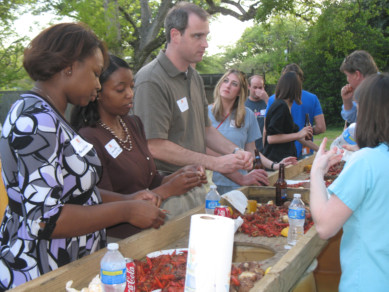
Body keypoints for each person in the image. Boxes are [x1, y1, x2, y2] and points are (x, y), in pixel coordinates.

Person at [0, 23, 165, 290]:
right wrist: (125, 210)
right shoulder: (36, 119)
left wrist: (128, 198)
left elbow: (73, 192)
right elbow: (44, 219)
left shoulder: (52, 116)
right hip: (41, 271)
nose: (98, 85)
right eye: (95, 74)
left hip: (70, 264)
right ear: (69, 67)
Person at [133, 2, 253, 216]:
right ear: (175, 35)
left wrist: (236, 152)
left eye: (206, 36)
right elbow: (155, 146)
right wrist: (214, 162)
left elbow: (205, 130)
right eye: (198, 36)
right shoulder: (151, 80)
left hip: (197, 188)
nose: (205, 44)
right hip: (168, 194)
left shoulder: (194, 77)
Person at [71, 54, 206, 239]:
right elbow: (102, 203)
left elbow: (149, 180)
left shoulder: (133, 124)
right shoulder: (89, 137)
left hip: (155, 227)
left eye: (132, 87)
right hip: (122, 239)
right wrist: (167, 190)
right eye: (120, 89)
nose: (130, 94)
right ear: (98, 93)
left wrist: (181, 176)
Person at [310, 73, 389, 292]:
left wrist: (317, 173)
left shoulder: (366, 162)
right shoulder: (372, 158)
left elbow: (325, 227)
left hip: (367, 282)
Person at [208, 69, 297, 194]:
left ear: (240, 91)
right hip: (210, 185)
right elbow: (203, 150)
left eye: (234, 84)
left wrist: (274, 165)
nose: (228, 85)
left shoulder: (248, 115)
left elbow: (252, 151)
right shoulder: (204, 113)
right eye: (225, 81)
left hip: (237, 186)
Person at [266, 63, 325, 158]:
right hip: (277, 160)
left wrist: (322, 151)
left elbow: (299, 137)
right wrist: (298, 134)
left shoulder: (285, 106)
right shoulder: (280, 106)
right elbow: (271, 138)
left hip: (288, 159)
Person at [339, 50, 378, 125]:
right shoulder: (362, 90)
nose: (347, 80)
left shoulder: (382, 89)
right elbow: (353, 120)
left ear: (357, 75)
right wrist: (347, 102)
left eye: (347, 75)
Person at [245, 75, 269, 152]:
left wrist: (266, 99)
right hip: (250, 149)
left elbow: (276, 116)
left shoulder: (268, 102)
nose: (257, 90)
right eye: (255, 87)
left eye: (260, 87)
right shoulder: (243, 104)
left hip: (266, 149)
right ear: (249, 86)